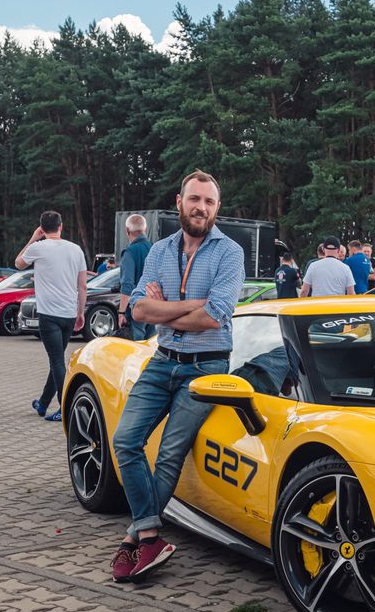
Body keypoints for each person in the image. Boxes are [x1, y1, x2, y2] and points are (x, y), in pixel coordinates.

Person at [110, 170, 244, 582]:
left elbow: (214, 316)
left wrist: (168, 308)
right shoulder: (160, 251)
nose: (200, 207)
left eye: (208, 201)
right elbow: (138, 311)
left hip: (206, 368)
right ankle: (148, 531)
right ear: (179, 201)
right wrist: (191, 307)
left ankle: (138, 537)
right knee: (125, 441)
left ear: (217, 209)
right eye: (194, 199)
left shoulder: (231, 253)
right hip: (162, 358)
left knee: (169, 453)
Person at [16, 210, 88, 422]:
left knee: (57, 361)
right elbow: (82, 285)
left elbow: (18, 263)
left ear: (41, 228)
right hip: (68, 314)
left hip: (49, 315)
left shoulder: (38, 248)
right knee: (56, 360)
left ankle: (66, 408)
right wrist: (80, 312)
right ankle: (43, 403)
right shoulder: (76, 250)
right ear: (61, 226)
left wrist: (32, 238)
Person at [118, 214, 152, 341]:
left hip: (137, 309)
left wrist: (121, 312)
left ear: (127, 230)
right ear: (145, 229)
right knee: (151, 349)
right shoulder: (155, 248)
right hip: (156, 308)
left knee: (136, 349)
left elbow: (127, 285)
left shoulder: (130, 252)